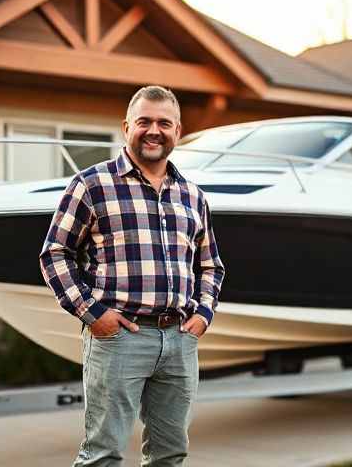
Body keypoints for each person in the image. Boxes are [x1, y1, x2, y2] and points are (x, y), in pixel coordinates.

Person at [39, 85, 225, 466]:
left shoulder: (193, 196)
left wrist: (203, 316)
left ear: (177, 130)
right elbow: (54, 253)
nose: (153, 130)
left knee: (170, 454)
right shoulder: (91, 185)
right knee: (102, 455)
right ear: (126, 127)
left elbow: (210, 265)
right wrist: (94, 314)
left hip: (179, 340)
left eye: (164, 123)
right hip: (119, 338)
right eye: (144, 122)